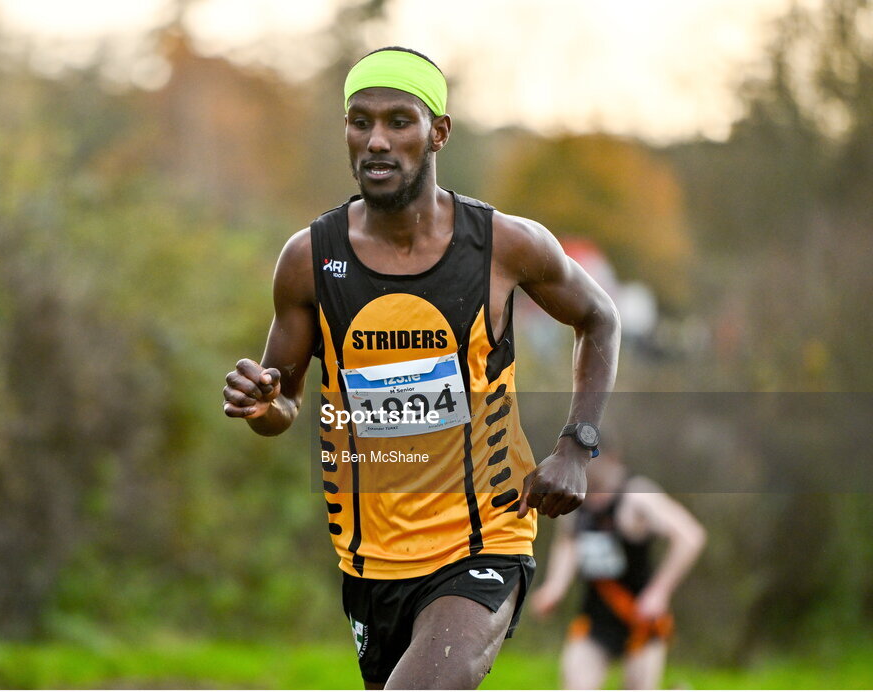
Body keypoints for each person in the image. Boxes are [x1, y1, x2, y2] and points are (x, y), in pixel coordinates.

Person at [223, 46, 620, 689]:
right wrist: (261, 401)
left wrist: (577, 446)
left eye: (399, 121)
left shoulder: (504, 246)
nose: (377, 140)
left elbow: (599, 318)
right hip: (369, 559)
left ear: (438, 132)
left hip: (484, 540)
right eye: (360, 122)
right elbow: (283, 403)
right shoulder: (308, 259)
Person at [530, 450, 706, 689]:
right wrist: (554, 587)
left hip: (639, 620)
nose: (582, 468)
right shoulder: (574, 499)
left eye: (587, 461)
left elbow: (690, 537)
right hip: (595, 621)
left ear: (612, 459)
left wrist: (659, 592)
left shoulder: (637, 496)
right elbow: (567, 542)